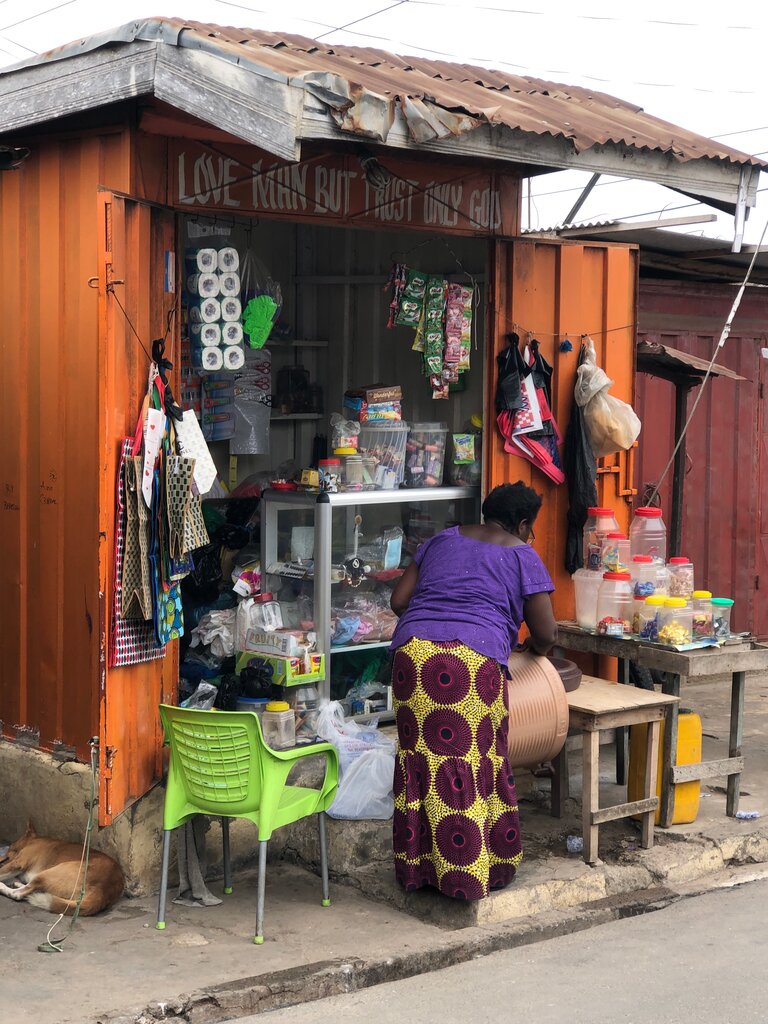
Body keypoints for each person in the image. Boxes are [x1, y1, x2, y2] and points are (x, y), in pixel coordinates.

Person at [388, 481, 557, 900]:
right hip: (470, 662)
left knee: (421, 762)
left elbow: (398, 600)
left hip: (413, 656)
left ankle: (417, 873)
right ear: (522, 523)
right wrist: (529, 648)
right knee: (471, 762)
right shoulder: (522, 554)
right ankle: (464, 879)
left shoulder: (441, 539)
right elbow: (547, 633)